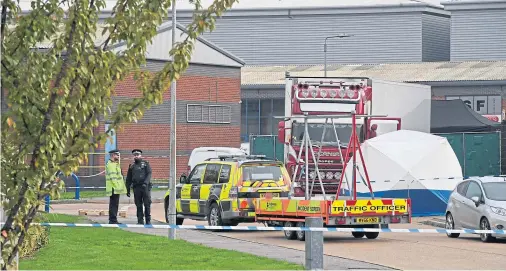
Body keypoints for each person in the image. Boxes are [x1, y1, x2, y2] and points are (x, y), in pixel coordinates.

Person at [126, 149, 153, 224]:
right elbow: (128, 178)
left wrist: (145, 183)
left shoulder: (145, 164)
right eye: (135, 155)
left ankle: (148, 220)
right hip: (136, 187)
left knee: (147, 204)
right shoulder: (132, 166)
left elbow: (149, 173)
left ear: (141, 155)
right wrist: (127, 189)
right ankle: (140, 220)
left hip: (145, 187)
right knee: (138, 204)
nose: (136, 156)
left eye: (138, 155)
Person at [105, 149, 127, 224]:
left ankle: (113, 219)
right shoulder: (111, 165)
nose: (118, 156)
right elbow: (113, 177)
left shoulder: (115, 164)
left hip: (115, 187)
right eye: (117, 155)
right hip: (113, 188)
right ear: (113, 155)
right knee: (113, 204)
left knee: (115, 204)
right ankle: (113, 220)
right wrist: (117, 186)